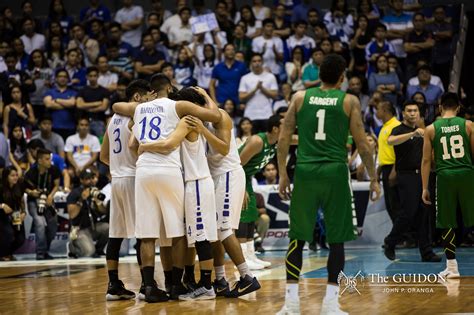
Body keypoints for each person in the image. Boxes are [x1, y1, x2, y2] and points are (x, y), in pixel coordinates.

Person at [276, 54, 380, 315]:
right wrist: (373, 177)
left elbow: (284, 138)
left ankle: (290, 305)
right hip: (335, 172)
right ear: (343, 78)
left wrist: (282, 175)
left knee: (297, 238)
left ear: (319, 75)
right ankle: (331, 305)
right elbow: (363, 144)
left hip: (306, 171)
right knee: (336, 241)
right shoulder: (349, 101)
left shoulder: (300, 98)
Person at [112, 73, 222, 303]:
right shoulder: (178, 105)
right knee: (178, 233)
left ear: (151, 91)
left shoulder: (139, 108)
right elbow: (214, 115)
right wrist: (205, 96)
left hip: (143, 170)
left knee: (147, 235)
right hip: (168, 169)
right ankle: (175, 286)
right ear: (169, 88)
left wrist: (144, 145)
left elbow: (123, 121)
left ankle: (149, 286)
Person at [151, 87, 260, 298]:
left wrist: (203, 128)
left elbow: (224, 149)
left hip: (227, 174)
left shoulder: (220, 117)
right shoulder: (198, 120)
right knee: (215, 234)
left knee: (225, 230)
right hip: (215, 177)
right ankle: (219, 280)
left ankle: (247, 277)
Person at [100, 79, 151, 300]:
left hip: (117, 180)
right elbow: (137, 146)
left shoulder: (113, 120)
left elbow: (103, 156)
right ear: (137, 98)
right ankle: (146, 285)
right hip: (132, 178)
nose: (151, 101)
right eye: (148, 97)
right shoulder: (135, 115)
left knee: (116, 235)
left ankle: (113, 284)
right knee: (142, 234)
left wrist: (119, 166)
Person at [421, 92, 474, 279]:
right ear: (458, 107)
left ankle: (452, 268)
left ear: (440, 107)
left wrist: (425, 187)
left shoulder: (430, 129)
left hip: (445, 177)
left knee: (447, 221)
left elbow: (426, 160)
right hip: (467, 174)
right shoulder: (468, 125)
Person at [383, 101, 441, 262]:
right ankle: (390, 241)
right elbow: (391, 141)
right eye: (409, 111)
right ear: (403, 113)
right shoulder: (399, 130)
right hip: (406, 175)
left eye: (415, 111)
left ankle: (427, 251)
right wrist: (412, 134)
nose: (412, 113)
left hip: (423, 175)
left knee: (424, 213)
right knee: (408, 212)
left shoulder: (424, 131)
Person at [238, 114, 282, 270]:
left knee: (251, 214)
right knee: (243, 215)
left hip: (246, 177)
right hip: (235, 176)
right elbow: (237, 164)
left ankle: (251, 255)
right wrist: (240, 188)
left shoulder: (275, 143)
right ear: (275, 129)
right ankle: (242, 259)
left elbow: (296, 138)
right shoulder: (258, 141)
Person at [23, 148, 60, 260]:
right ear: (40, 161)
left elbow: (56, 185)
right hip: (34, 201)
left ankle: (45, 250)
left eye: (50, 159)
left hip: (48, 199)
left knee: (53, 224)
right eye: (47, 159)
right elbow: (24, 187)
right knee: (39, 223)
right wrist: (31, 192)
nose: (50, 161)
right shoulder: (31, 172)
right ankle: (40, 253)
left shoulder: (54, 170)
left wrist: (50, 196)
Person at [66, 168, 109, 258]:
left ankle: (99, 249)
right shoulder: (74, 193)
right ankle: (73, 248)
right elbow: (72, 215)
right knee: (89, 252)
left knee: (108, 228)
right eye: (87, 179)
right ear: (81, 180)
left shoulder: (95, 192)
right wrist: (82, 199)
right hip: (79, 229)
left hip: (92, 227)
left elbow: (103, 211)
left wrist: (98, 202)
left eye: (92, 178)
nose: (90, 181)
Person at [239, 53, 278, 133]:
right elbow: (241, 97)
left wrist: (262, 89)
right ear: (251, 63)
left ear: (262, 62)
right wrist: (255, 89)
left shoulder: (270, 77)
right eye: (254, 61)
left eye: (259, 61)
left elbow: (275, 95)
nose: (257, 63)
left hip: (267, 114)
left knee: (268, 140)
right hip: (250, 115)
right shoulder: (245, 78)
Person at [376, 100, 401, 224]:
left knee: (396, 204)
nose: (376, 112)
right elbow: (384, 151)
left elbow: (401, 151)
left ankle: (405, 237)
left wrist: (394, 170)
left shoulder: (395, 126)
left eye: (378, 109)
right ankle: (398, 236)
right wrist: (378, 171)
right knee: (390, 204)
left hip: (394, 169)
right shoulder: (384, 127)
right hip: (385, 168)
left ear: (385, 110)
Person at [0, 166, 26, 261]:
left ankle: (7, 253)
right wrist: (2, 205)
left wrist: (24, 212)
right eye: (12, 175)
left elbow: (22, 201)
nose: (15, 177)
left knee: (21, 238)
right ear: (6, 177)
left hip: (15, 215)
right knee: (8, 234)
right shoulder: (1, 187)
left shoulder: (19, 186)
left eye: (16, 175)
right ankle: (3, 254)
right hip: (2, 216)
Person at [76, 67, 109, 137]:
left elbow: (103, 107)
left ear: (98, 76)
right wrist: (96, 103)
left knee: (100, 144)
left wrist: (87, 107)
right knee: (84, 143)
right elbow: (79, 105)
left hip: (99, 121)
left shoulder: (104, 91)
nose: (93, 78)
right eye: (90, 76)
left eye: (95, 76)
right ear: (87, 77)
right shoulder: (82, 90)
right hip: (84, 122)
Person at [403, 13, 434, 78]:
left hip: (427, 64)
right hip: (411, 65)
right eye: (416, 21)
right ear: (413, 22)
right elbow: (407, 49)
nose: (418, 23)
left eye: (420, 20)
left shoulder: (429, 33)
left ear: (424, 21)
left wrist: (413, 44)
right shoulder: (408, 34)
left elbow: (431, 44)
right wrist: (424, 45)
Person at [27, 49, 53, 120]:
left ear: (42, 58)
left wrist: (50, 84)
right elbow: (26, 85)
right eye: (34, 58)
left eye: (39, 57)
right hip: (32, 100)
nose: (37, 59)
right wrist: (32, 79)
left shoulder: (49, 71)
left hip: (45, 101)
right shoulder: (28, 71)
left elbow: (54, 84)